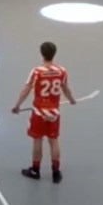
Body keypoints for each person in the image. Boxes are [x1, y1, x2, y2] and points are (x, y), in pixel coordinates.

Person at [12, 42, 76, 184]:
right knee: (54, 141)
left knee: (37, 139)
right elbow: (66, 89)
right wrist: (72, 100)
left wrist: (17, 106)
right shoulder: (62, 71)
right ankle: (56, 172)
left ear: (42, 54)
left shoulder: (37, 72)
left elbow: (26, 90)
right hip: (54, 113)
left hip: (39, 112)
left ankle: (35, 170)